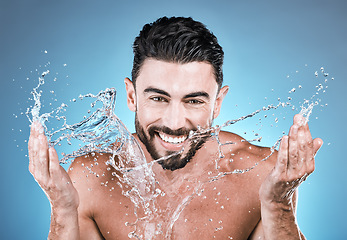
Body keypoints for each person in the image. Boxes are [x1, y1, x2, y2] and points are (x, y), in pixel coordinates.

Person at [28, 16, 323, 240]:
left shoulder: (261, 175)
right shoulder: (91, 178)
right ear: (132, 96)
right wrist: (62, 210)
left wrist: (278, 206)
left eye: (193, 101)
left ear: (218, 104)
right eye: (158, 98)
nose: (174, 122)